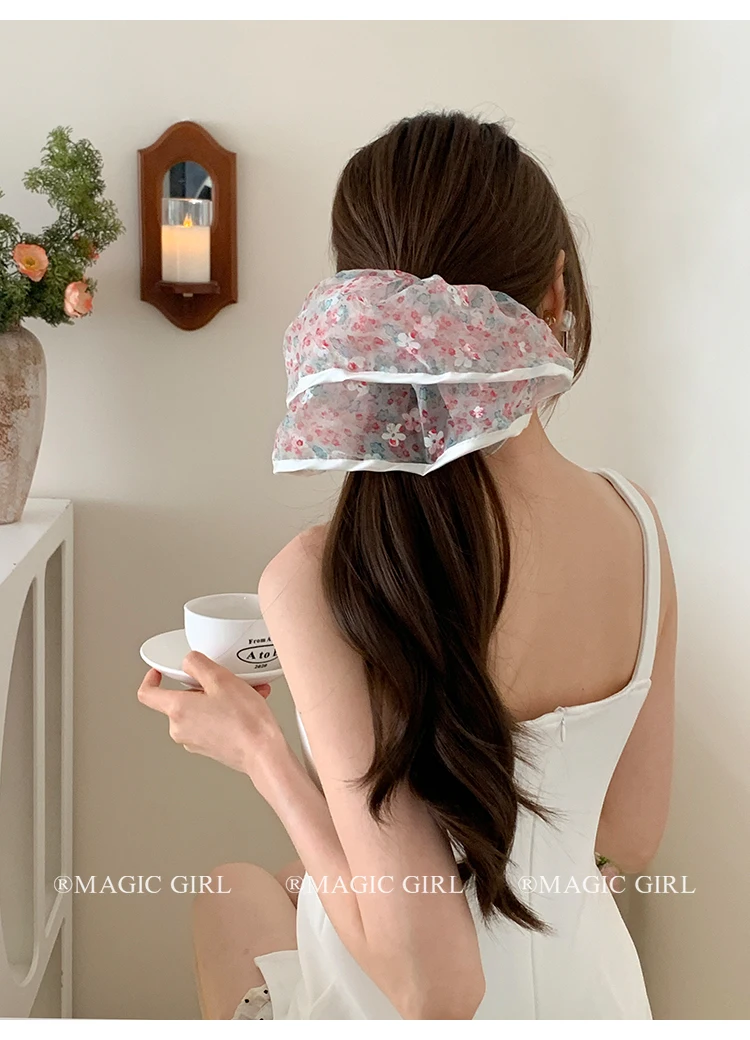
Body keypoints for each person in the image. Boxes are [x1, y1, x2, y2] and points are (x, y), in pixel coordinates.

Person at [138, 111, 677, 1020]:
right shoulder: (636, 524)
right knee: (250, 886)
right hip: (597, 1001)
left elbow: (436, 989)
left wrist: (259, 752)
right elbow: (627, 839)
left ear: (357, 313)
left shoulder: (321, 577)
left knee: (228, 894)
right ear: (556, 293)